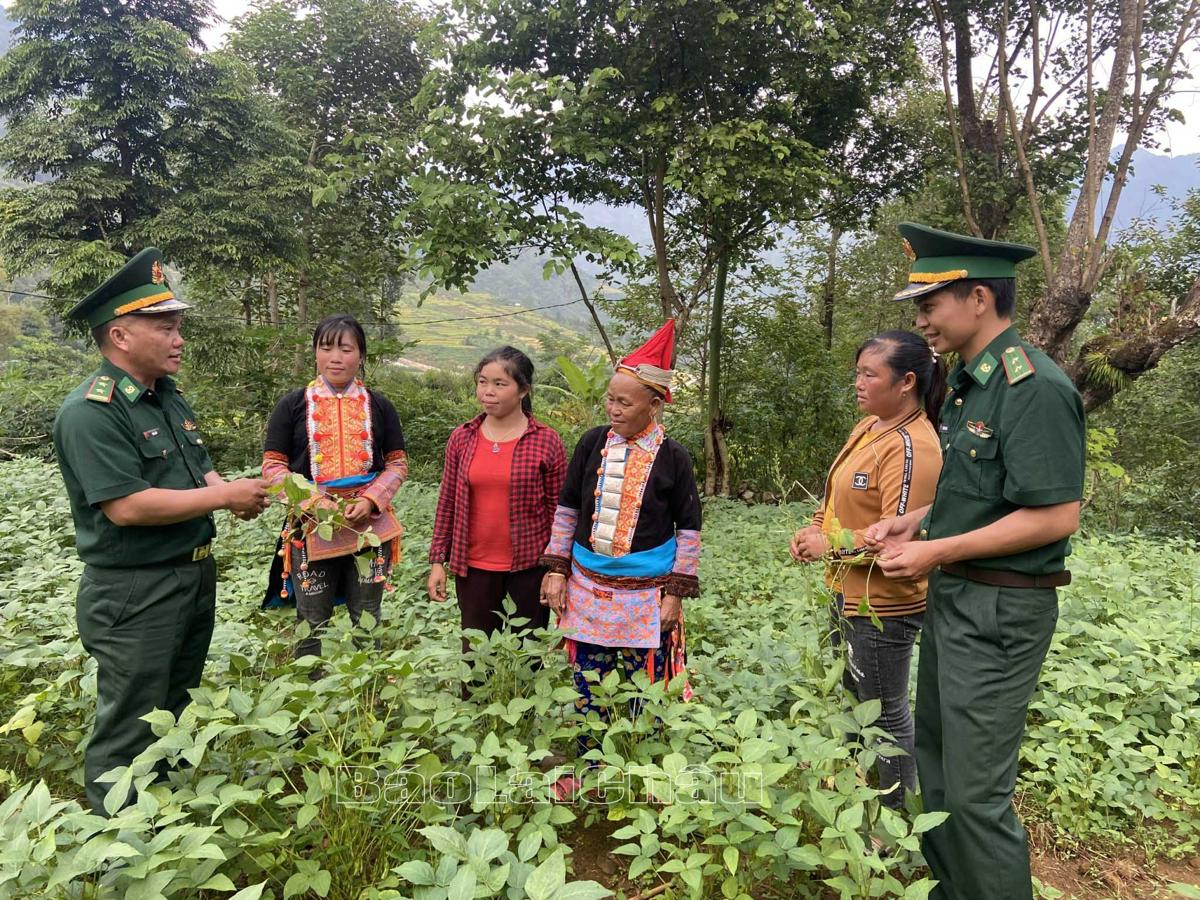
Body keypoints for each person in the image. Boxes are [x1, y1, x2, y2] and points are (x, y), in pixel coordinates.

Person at [866, 223, 1085, 899]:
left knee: (975, 796)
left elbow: (1055, 514)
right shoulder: (969, 383)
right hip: (958, 601)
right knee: (937, 768)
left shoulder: (1033, 387)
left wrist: (936, 550)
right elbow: (981, 496)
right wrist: (917, 521)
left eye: (931, 304)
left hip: (1000, 609)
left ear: (980, 299)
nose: (922, 320)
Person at [53, 248, 269, 814]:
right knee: (131, 720)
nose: (179, 339)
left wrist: (233, 494)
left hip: (191, 576)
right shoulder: (91, 411)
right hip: (136, 590)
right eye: (165, 327)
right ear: (121, 337)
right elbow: (125, 506)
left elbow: (200, 469)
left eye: (178, 327)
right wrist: (224, 495)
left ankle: (162, 820)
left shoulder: (167, 398)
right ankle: (115, 840)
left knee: (173, 709)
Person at [539, 320, 701, 790]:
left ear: (654, 404)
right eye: (610, 399)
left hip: (645, 597)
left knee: (641, 683)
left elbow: (688, 530)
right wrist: (557, 570)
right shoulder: (591, 443)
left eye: (624, 402)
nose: (612, 408)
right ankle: (590, 766)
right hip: (589, 588)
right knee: (589, 679)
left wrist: (675, 594)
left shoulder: (675, 458)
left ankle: (636, 771)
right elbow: (568, 508)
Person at [790, 330, 943, 809]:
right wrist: (814, 528)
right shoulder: (869, 427)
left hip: (884, 603)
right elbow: (836, 493)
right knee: (856, 701)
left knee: (885, 712)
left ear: (906, 382)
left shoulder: (913, 446)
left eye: (868, 374)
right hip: (844, 590)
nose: (857, 382)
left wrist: (828, 543)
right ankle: (862, 793)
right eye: (857, 371)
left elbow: (898, 538)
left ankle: (895, 816)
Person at [261, 314, 408, 661]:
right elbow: (272, 467)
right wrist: (314, 502)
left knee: (367, 615)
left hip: (368, 527)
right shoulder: (292, 405)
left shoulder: (380, 406)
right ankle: (308, 690)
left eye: (346, 348)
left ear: (361, 355)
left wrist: (372, 499)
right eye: (326, 348)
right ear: (315, 353)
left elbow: (398, 463)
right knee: (311, 617)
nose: (336, 357)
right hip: (311, 526)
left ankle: (369, 693)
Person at [427, 346, 566, 663]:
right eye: (482, 381)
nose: (488, 392)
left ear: (524, 390)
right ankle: (475, 711)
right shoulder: (463, 438)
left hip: (530, 568)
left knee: (527, 655)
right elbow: (447, 502)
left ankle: (525, 712)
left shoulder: (546, 441)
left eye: (500, 384)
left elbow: (560, 513)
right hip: (473, 567)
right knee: (475, 656)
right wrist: (438, 561)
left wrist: (558, 569)